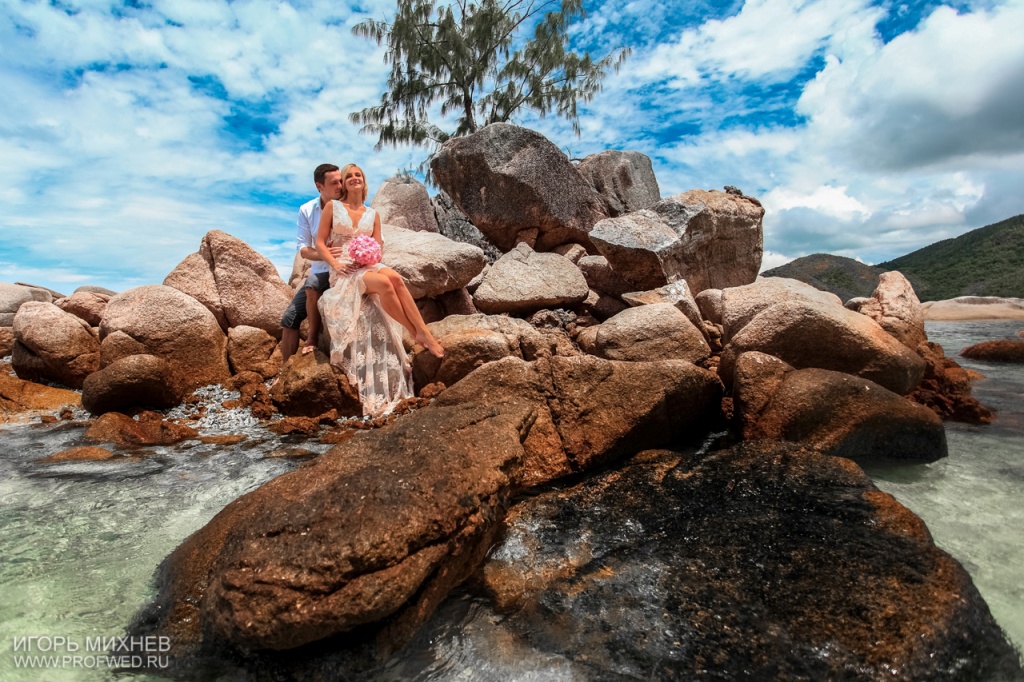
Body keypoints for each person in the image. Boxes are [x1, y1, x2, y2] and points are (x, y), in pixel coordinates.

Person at [316, 163, 444, 416]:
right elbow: (319, 243)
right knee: (385, 284)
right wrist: (335, 263)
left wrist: (369, 258)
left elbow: (377, 248)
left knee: (395, 278)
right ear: (344, 182)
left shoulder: (372, 214)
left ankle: (423, 332)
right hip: (344, 269)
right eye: (349, 176)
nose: (354, 178)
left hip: (367, 265)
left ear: (364, 181)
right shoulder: (333, 207)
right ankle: (415, 332)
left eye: (358, 175)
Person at [279, 163, 344, 359]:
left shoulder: (348, 206)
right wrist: (325, 254)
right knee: (289, 318)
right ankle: (284, 371)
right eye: (334, 183)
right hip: (321, 270)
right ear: (319, 187)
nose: (340, 186)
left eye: (341, 181)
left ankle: (312, 338)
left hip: (343, 269)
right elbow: (304, 249)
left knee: (312, 283)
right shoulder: (307, 210)